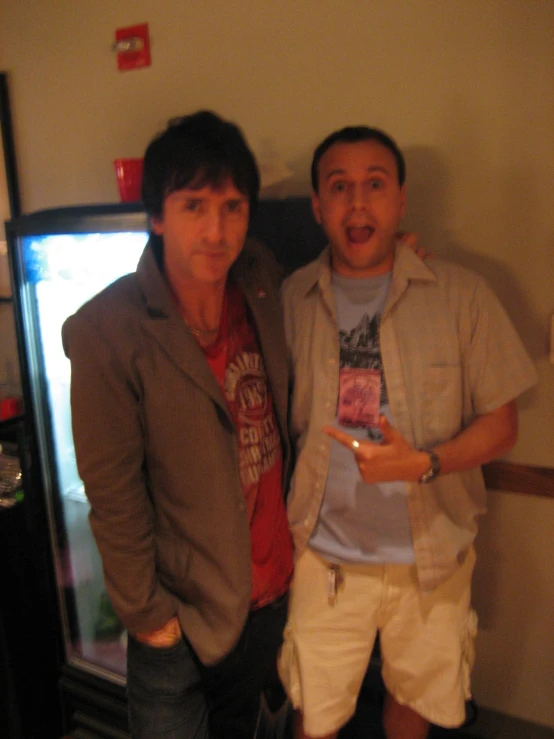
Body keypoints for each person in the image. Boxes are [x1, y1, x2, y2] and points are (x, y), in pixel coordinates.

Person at [277, 125, 538, 739]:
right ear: (318, 206)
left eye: (375, 185)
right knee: (313, 712)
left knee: (412, 705)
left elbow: (503, 426)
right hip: (324, 557)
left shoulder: (461, 296)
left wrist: (423, 462)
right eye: (339, 188)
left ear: (400, 200)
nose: (358, 202)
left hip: (432, 556)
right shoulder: (289, 299)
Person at [62, 111, 294, 739]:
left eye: (233, 206)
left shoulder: (262, 280)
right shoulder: (108, 329)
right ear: (158, 215)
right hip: (181, 618)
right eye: (195, 205)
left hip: (272, 594)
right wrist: (149, 619)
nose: (217, 230)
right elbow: (112, 494)